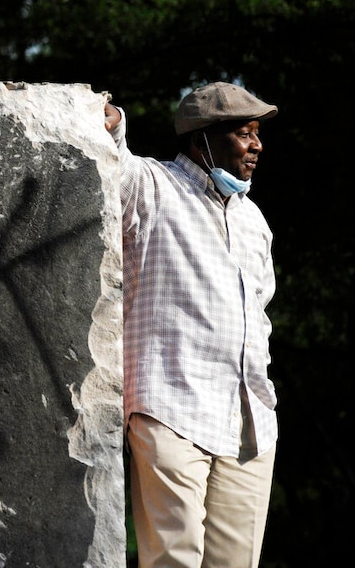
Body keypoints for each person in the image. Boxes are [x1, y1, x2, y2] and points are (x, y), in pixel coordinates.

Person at [104, 81, 279, 568]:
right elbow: (117, 165)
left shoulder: (254, 220)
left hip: (250, 418)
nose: (257, 146)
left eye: (257, 134)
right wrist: (113, 123)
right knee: (173, 559)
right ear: (203, 138)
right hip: (171, 406)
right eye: (245, 133)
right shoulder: (156, 187)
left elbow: (260, 310)